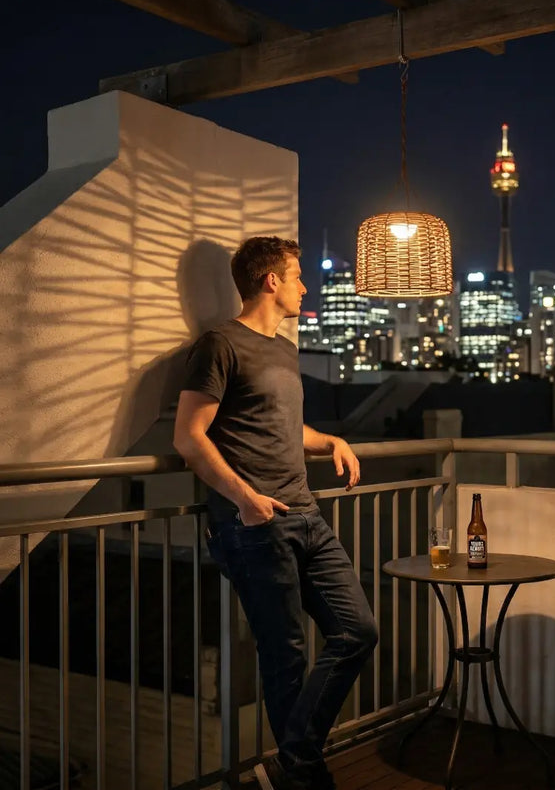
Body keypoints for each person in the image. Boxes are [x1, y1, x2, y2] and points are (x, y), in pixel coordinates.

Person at [173, 236, 378, 790]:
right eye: (298, 275)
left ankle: (292, 763)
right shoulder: (220, 346)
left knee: (358, 629)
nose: (305, 286)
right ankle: (304, 776)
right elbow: (190, 437)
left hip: (305, 514)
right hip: (254, 524)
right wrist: (244, 498)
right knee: (284, 655)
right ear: (271, 281)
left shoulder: (285, 349)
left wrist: (330, 440)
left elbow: (286, 428)